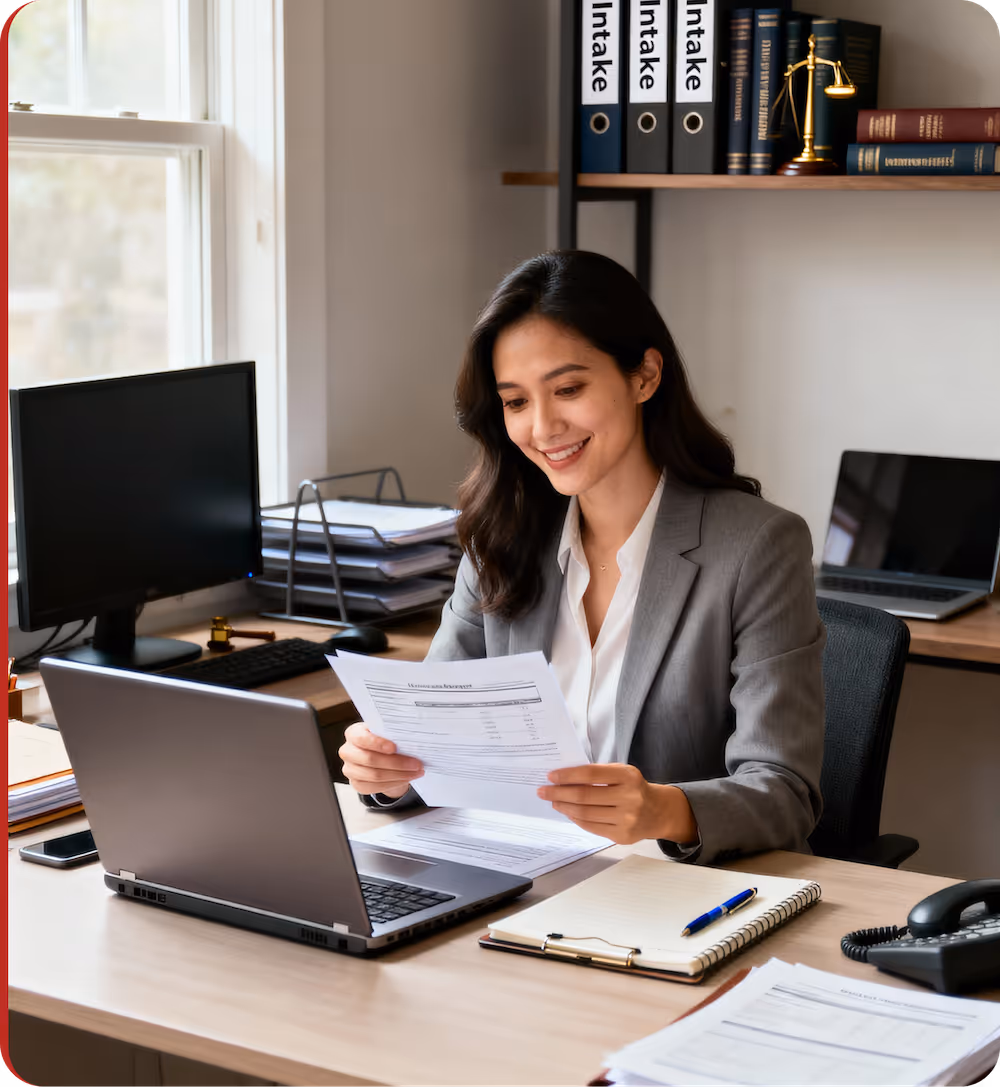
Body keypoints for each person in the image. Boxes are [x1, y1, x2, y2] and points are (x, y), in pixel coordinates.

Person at [339, 250, 825, 864]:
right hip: (513, 873)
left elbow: (785, 792)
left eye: (568, 389)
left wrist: (662, 809)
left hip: (669, 896)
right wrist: (388, 771)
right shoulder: (500, 540)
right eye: (515, 402)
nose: (543, 428)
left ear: (645, 376)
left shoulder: (758, 546)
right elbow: (429, 747)